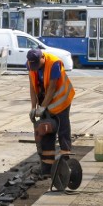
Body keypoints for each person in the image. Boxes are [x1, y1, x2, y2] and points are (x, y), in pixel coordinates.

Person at [26, 48, 75, 177]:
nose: (35, 68)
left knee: (63, 130)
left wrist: (42, 107)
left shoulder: (54, 63)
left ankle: (66, 164)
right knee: (45, 130)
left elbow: (52, 87)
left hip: (61, 100)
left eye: (37, 64)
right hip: (45, 101)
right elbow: (32, 86)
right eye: (33, 66)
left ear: (43, 58)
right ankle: (47, 168)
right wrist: (33, 107)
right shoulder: (30, 64)